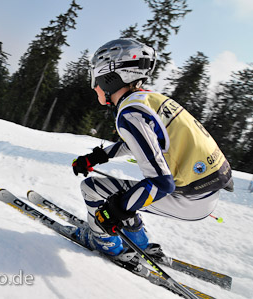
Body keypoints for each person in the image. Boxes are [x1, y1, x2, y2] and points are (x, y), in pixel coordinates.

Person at [71, 38, 233, 269]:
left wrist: (116, 210)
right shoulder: (148, 100)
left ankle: (105, 243)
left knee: (93, 189)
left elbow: (161, 183)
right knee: (127, 196)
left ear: (110, 77)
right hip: (204, 190)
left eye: (95, 79)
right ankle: (140, 242)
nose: (93, 86)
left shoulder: (128, 113)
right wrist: (96, 157)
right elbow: (141, 142)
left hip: (188, 199)